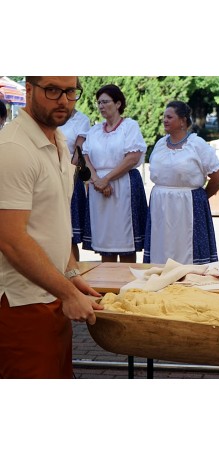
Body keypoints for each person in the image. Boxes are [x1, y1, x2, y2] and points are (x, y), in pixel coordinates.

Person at [0, 76, 103, 379]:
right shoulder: (14, 148)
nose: (63, 100)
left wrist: (70, 272)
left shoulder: (58, 140)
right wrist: (68, 293)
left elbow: (50, 222)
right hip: (22, 302)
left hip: (51, 293)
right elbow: (11, 240)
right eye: (52, 90)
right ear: (29, 90)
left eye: (70, 91)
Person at [144, 100, 219, 265]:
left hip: (188, 206)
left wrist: (200, 198)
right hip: (161, 206)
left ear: (183, 120)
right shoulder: (160, 144)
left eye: (169, 117)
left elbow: (218, 177)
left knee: (187, 253)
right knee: (161, 249)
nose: (165, 120)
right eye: (164, 117)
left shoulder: (197, 145)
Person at [82, 84, 148, 263]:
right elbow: (85, 156)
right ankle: (107, 286)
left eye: (105, 102)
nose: (101, 106)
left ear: (118, 103)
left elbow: (132, 157)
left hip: (123, 185)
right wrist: (97, 180)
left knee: (125, 242)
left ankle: (127, 285)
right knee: (105, 241)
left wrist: (107, 179)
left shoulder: (129, 126)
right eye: (99, 103)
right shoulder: (95, 130)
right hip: (99, 188)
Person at [59, 106, 91, 260]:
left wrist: (68, 173)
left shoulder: (81, 120)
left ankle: (73, 273)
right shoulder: (51, 116)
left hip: (70, 174)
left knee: (70, 233)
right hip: (47, 172)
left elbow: (78, 151)